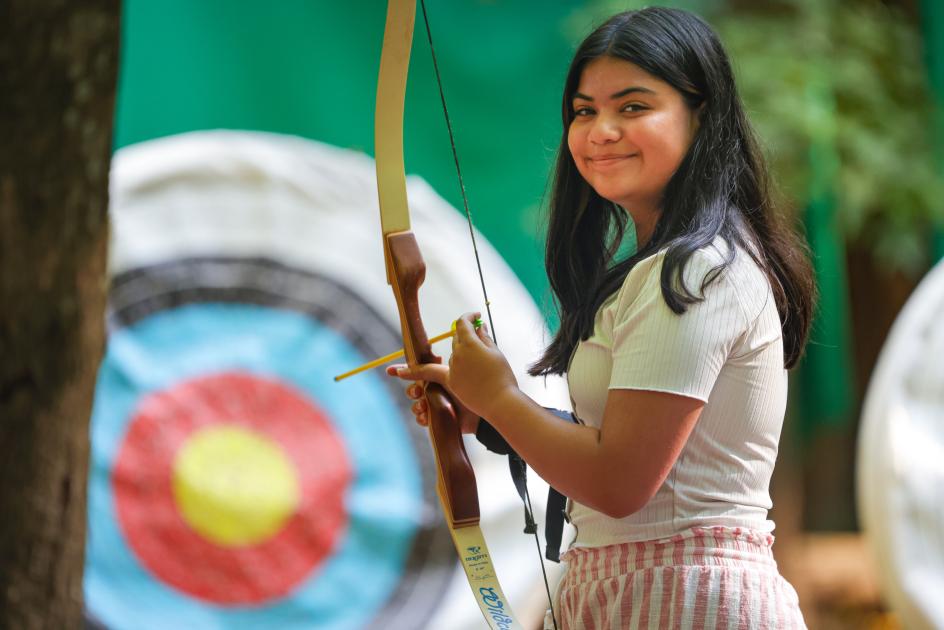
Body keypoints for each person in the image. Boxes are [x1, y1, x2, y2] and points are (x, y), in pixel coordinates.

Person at [388, 7, 813, 629]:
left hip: (690, 603)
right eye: (584, 111)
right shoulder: (669, 267)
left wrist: (504, 400)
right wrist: (486, 415)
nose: (600, 130)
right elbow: (636, 455)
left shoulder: (697, 271)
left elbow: (620, 481)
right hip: (646, 593)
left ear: (702, 115)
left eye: (633, 107)